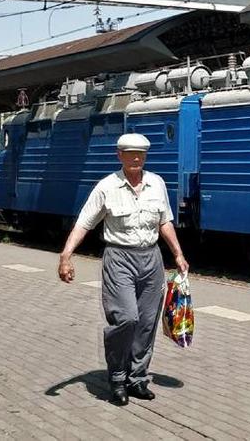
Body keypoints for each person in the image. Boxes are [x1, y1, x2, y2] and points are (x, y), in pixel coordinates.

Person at [58, 133, 189, 406]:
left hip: (151, 259)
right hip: (119, 259)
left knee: (146, 323)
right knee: (126, 318)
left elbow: (164, 221)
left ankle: (138, 378)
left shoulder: (157, 183)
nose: (136, 158)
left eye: (140, 153)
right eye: (129, 153)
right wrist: (66, 256)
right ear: (119, 155)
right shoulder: (107, 186)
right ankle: (117, 376)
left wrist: (177, 253)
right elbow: (84, 222)